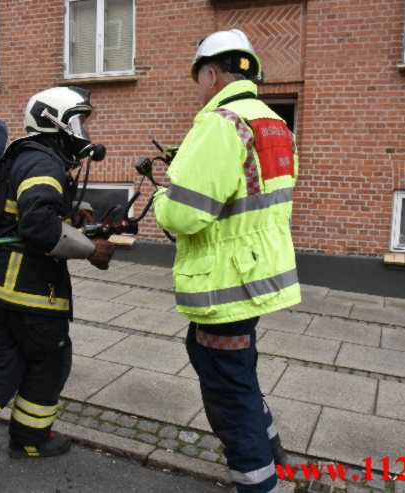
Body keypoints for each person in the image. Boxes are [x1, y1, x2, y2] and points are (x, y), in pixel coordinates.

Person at [0, 87, 114, 486]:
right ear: (55, 122)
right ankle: (29, 439)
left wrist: (72, 216)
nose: (81, 130)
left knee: (4, 362)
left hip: (0, 284)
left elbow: (25, 213)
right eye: (76, 120)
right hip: (27, 291)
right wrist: (91, 250)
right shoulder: (43, 164)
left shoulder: (28, 155)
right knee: (50, 359)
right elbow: (36, 226)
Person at [152, 29, 301, 493]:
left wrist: (163, 195)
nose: (199, 89)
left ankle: (260, 483)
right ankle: (276, 454)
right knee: (231, 367)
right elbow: (246, 192)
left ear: (213, 74)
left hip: (224, 282)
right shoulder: (274, 123)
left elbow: (183, 214)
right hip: (254, 277)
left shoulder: (221, 122)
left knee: (228, 394)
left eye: (199, 78)